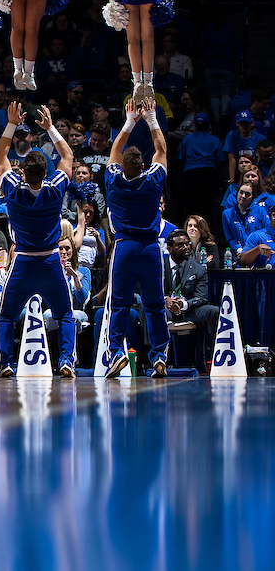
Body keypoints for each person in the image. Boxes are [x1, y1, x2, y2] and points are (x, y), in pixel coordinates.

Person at [0, 100, 77, 377]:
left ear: (23, 172)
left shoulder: (13, 190)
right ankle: (65, 360)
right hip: (52, 260)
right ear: (45, 173)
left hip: (23, 262)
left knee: (6, 316)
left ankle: (5, 362)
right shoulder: (54, 190)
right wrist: (51, 128)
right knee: (65, 314)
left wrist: (11, 123)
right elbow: (67, 158)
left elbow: (0, 157)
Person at [103, 98, 169, 378]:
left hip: (125, 247)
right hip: (150, 248)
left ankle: (116, 352)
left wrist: (129, 120)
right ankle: (158, 357)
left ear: (124, 167)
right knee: (155, 304)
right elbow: (162, 150)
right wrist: (152, 119)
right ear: (142, 166)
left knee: (119, 304)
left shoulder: (114, 180)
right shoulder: (153, 180)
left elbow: (115, 149)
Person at [164, 228, 218, 367]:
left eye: (187, 244)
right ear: (170, 249)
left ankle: (212, 358)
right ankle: (153, 360)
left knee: (213, 311)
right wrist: (165, 300)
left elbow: (200, 297)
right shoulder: (158, 266)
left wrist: (183, 304)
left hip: (189, 310)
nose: (186, 248)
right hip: (165, 310)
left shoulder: (199, 269)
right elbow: (149, 292)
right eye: (180, 245)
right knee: (149, 309)